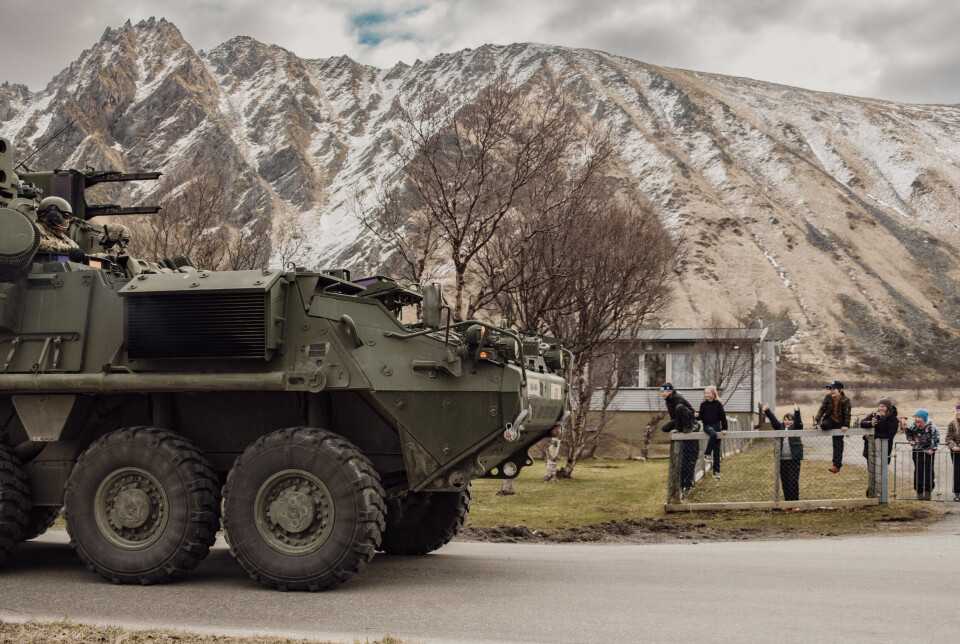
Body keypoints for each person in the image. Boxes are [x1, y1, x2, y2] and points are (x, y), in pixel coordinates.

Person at [659, 383, 699, 496]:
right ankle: (682, 428)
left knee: (679, 407)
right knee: (664, 427)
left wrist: (677, 428)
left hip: (688, 418)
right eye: (661, 391)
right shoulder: (668, 400)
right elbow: (674, 417)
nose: (662, 393)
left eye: (663, 391)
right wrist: (673, 427)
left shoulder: (677, 398)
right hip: (679, 420)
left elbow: (679, 412)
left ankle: (687, 428)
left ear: (669, 391)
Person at [762, 403, 803, 502]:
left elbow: (799, 422)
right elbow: (774, 420)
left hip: (793, 460)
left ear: (793, 421)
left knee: (793, 481)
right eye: (785, 419)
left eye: (789, 419)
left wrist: (797, 411)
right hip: (781, 460)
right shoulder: (780, 427)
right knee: (785, 481)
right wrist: (767, 410)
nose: (787, 421)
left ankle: (794, 503)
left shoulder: (796, 428)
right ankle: (787, 502)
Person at [813, 380, 851, 473]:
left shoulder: (846, 400)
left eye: (834, 389)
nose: (831, 391)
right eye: (830, 389)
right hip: (830, 420)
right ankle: (825, 425)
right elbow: (822, 409)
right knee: (824, 425)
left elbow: (847, 414)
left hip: (840, 423)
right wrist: (816, 420)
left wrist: (845, 425)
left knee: (837, 443)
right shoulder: (828, 397)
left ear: (840, 390)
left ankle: (836, 465)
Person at [902, 409, 939, 500]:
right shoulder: (913, 425)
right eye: (915, 417)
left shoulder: (931, 426)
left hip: (928, 451)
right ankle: (919, 491)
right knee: (918, 470)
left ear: (924, 418)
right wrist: (910, 440)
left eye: (918, 417)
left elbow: (936, 438)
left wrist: (932, 449)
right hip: (917, 450)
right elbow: (908, 431)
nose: (916, 419)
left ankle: (927, 491)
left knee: (928, 471)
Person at [34, 196, 84, 261]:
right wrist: (67, 249)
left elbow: (79, 255)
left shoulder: (61, 236)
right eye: (66, 216)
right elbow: (37, 244)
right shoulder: (33, 229)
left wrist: (98, 256)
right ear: (53, 217)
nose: (68, 221)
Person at [696, 385, 727, 479]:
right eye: (705, 393)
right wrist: (697, 415)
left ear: (713, 394)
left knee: (717, 450)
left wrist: (724, 428)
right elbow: (701, 416)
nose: (706, 395)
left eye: (708, 393)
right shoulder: (703, 404)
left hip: (717, 426)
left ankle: (716, 472)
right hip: (708, 426)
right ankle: (707, 453)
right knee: (713, 434)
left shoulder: (718, 404)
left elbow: (723, 417)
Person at [858, 397, 899, 464]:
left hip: (884, 448)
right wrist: (871, 423)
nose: (880, 408)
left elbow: (890, 435)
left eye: (883, 406)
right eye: (879, 406)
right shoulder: (875, 415)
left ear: (888, 408)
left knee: (882, 470)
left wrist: (873, 435)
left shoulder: (893, 419)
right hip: (871, 447)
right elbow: (862, 423)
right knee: (871, 470)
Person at [946, 405, 960, 502]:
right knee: (957, 472)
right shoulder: (952, 424)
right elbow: (948, 437)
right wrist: (953, 446)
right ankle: (957, 493)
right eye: (957, 411)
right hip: (955, 452)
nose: (959, 412)